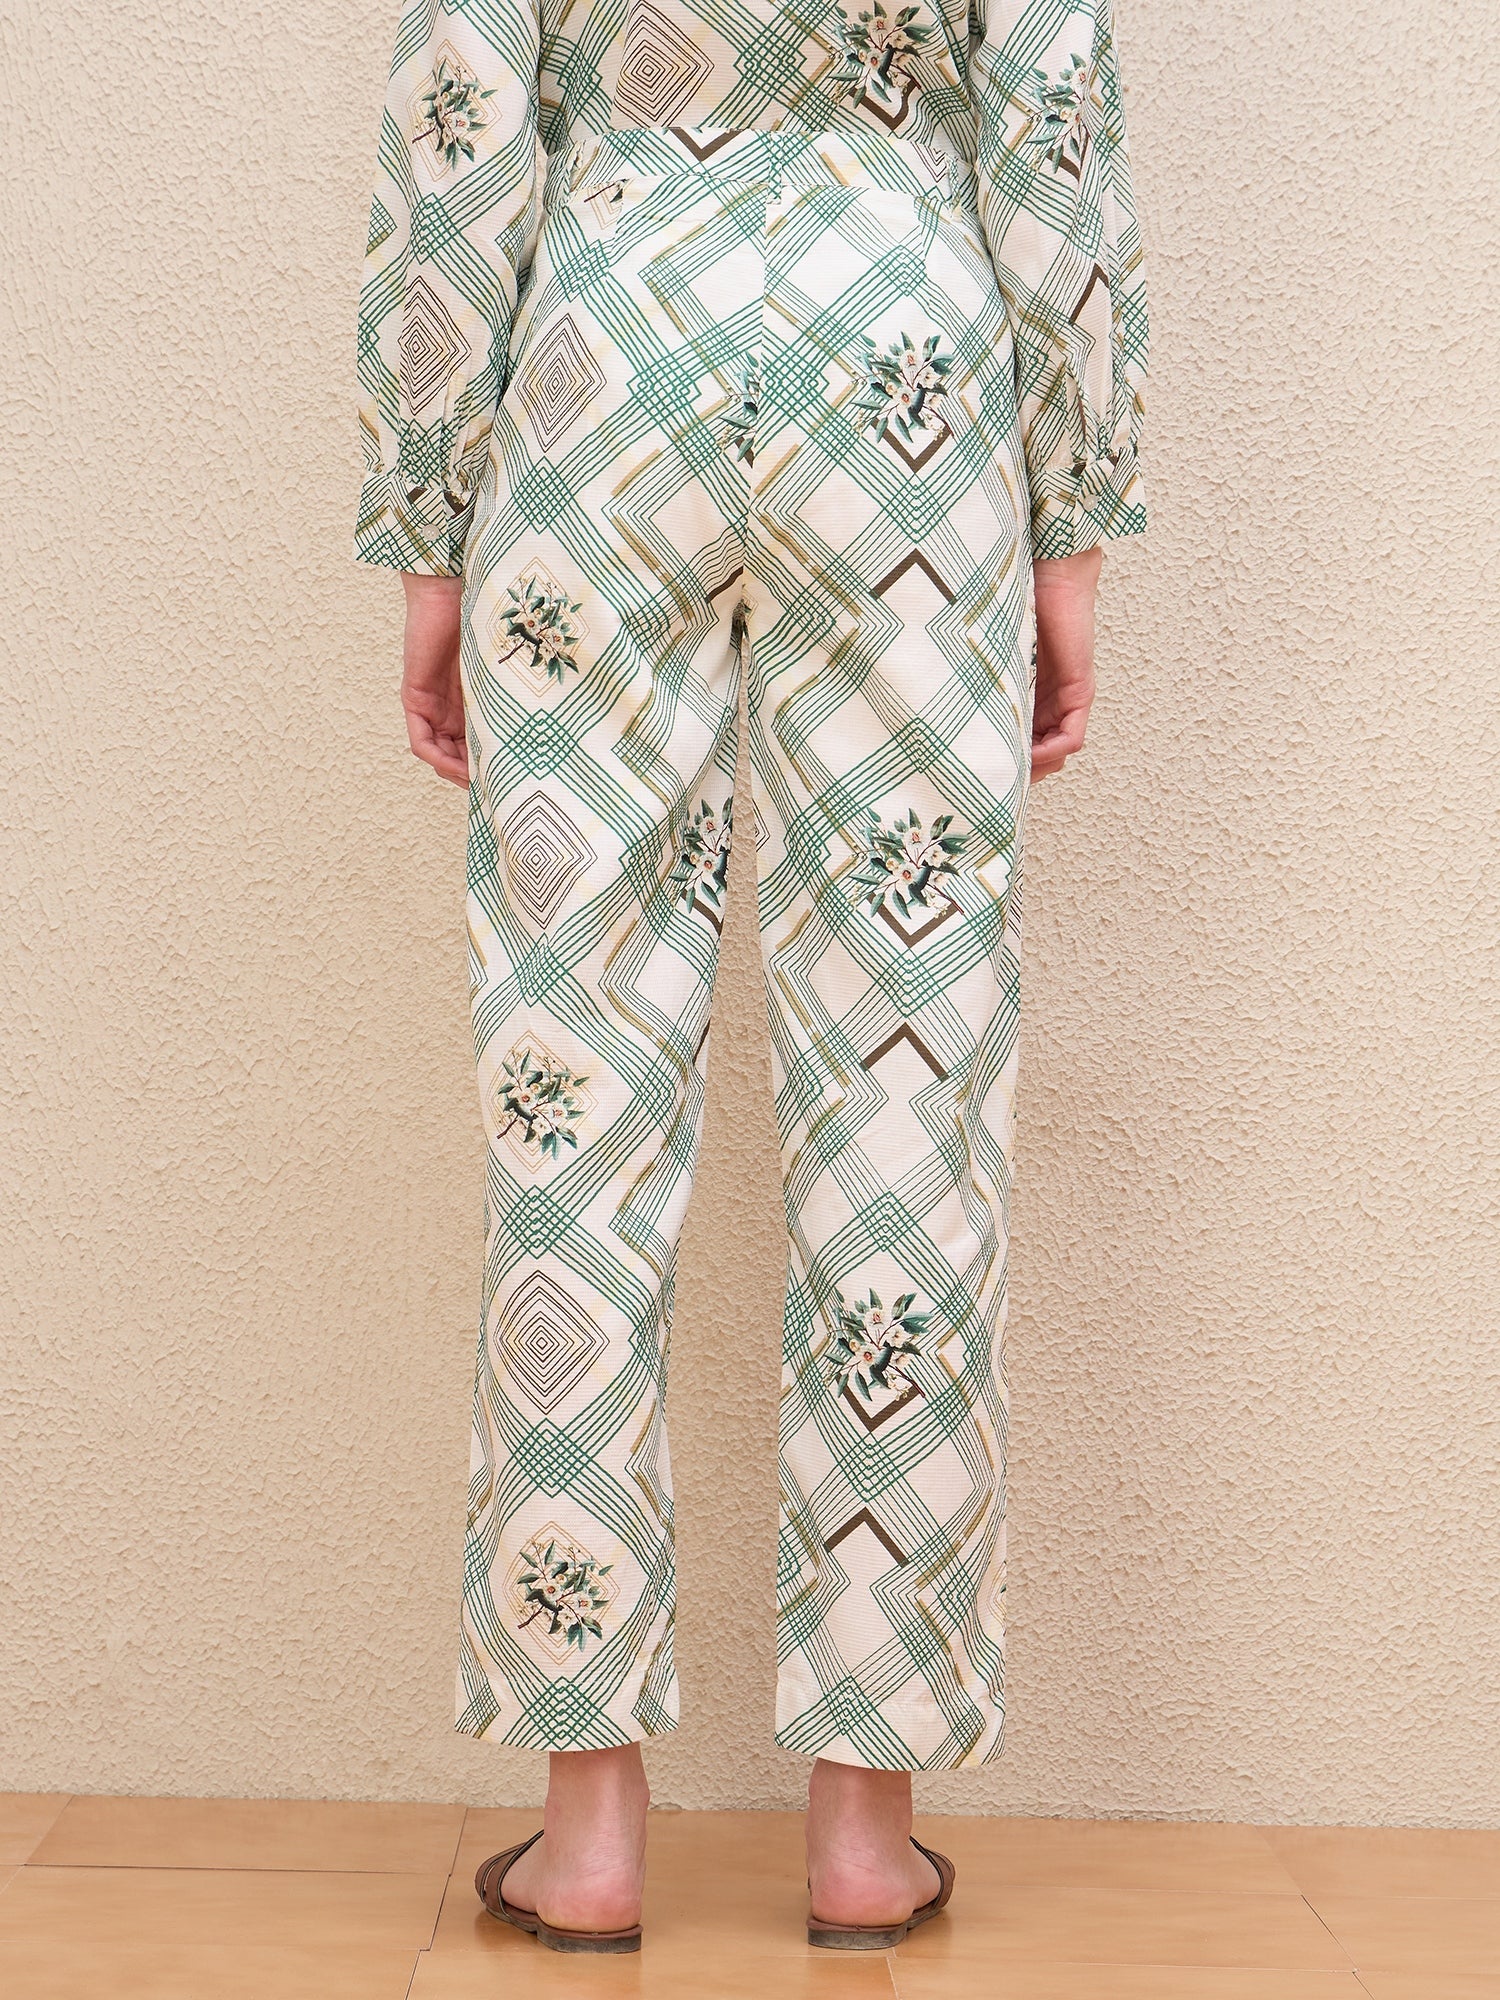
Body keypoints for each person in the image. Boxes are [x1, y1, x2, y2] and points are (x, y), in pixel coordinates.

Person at [355, 0, 1146, 1954]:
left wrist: (428, 531)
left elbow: (458, 136)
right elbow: (1051, 116)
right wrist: (1070, 527)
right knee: (908, 1081)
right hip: (906, 377)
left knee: (573, 1086)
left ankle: (589, 1830)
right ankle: (864, 1832)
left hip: (604, 365)